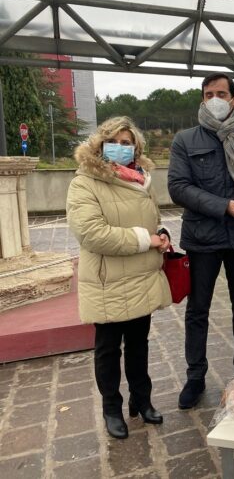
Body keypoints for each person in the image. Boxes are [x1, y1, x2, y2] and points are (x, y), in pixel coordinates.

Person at [168, 73, 234, 409]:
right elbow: (178, 187)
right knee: (198, 310)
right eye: (209, 93)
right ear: (202, 99)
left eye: (221, 93)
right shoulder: (185, 140)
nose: (215, 98)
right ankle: (195, 376)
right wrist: (222, 206)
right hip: (203, 238)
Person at [66, 116, 172, 439]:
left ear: (136, 149)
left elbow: (152, 221)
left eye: (128, 143)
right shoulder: (84, 182)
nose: (121, 147)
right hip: (107, 281)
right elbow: (93, 234)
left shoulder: (141, 180)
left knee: (139, 345)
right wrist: (146, 240)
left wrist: (162, 233)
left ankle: (142, 399)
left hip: (140, 278)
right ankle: (111, 407)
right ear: (101, 144)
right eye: (115, 141)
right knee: (108, 350)